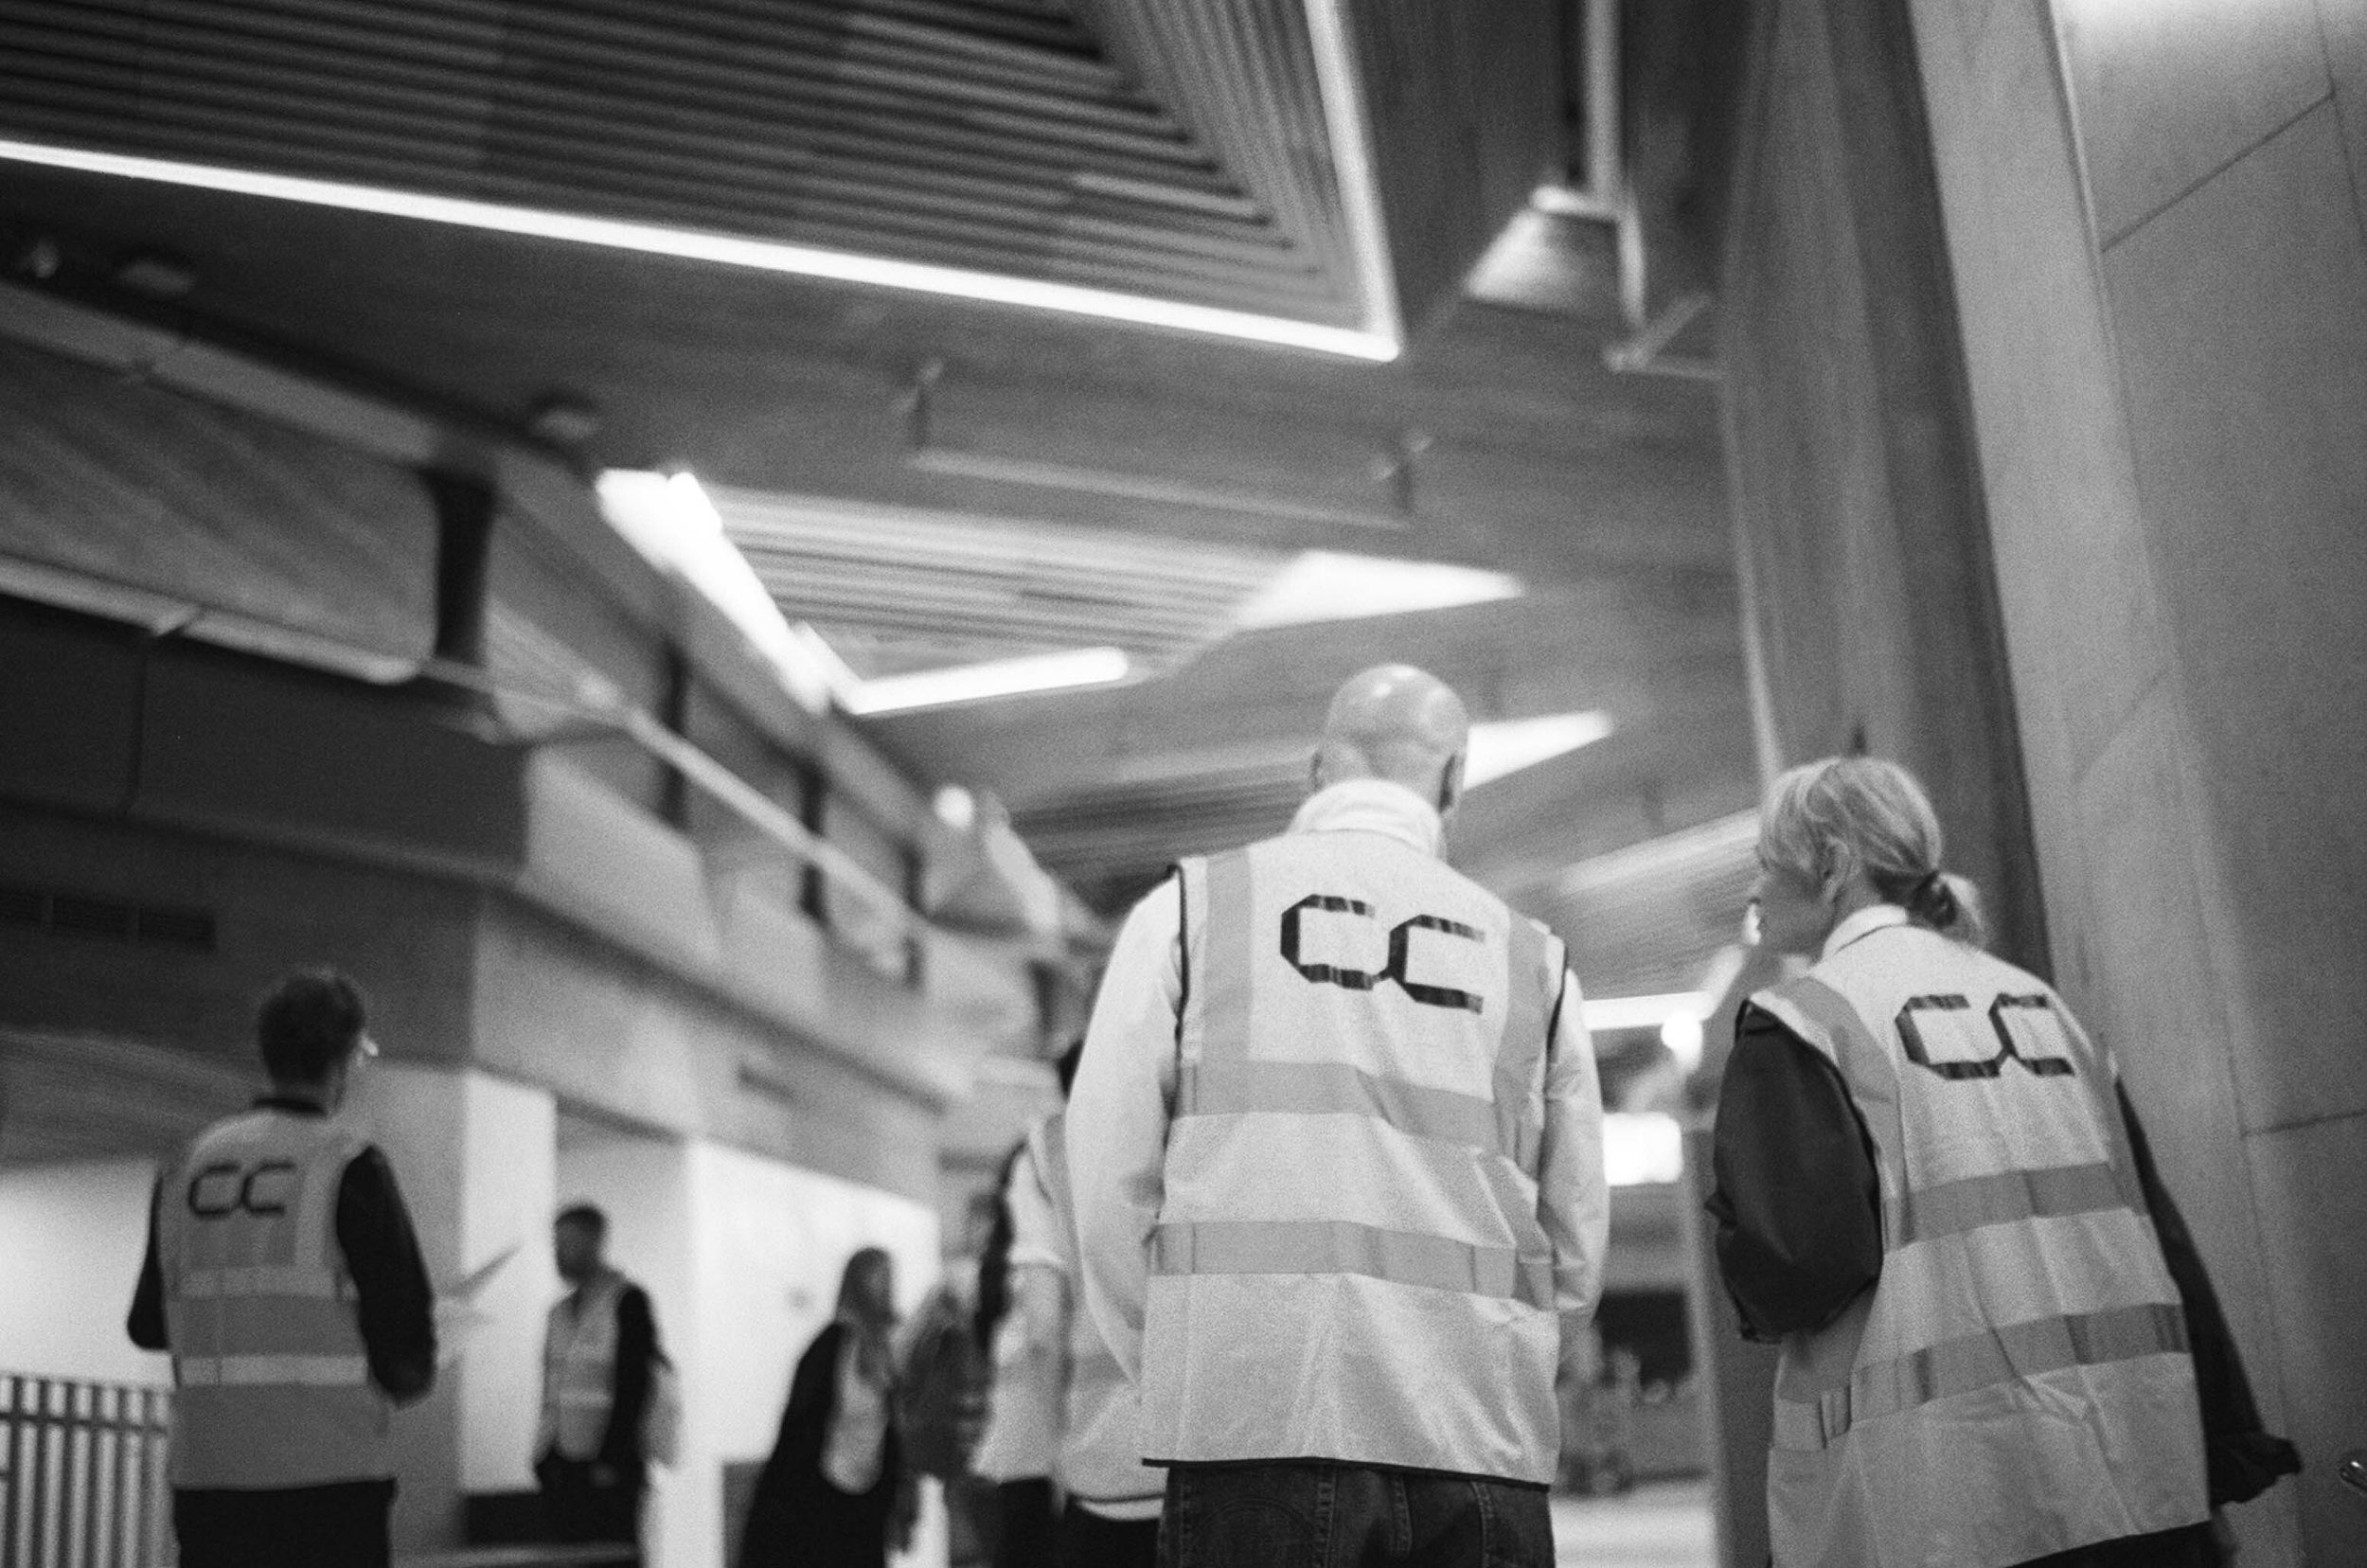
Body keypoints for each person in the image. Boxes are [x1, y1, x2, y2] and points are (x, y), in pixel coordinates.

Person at [1068, 664, 1609, 1568]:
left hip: (1254, 1429)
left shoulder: (1191, 913)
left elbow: (1107, 1182)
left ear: (1316, 771)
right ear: (1454, 780)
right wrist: (1504, 1372)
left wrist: (1187, 1367)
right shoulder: (1536, 965)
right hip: (1477, 1436)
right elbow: (1578, 1237)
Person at [1707, 756, 2300, 1568]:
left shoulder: (1804, 1024)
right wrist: (2222, 1448)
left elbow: (1795, 1270)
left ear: (1835, 863)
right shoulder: (2048, 1008)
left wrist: (1733, 1227)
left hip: (1943, 1503)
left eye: (1766, 861)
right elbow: (2161, 1238)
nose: (1755, 889)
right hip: (2136, 1484)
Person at [125, 968, 436, 1568]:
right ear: (345, 1059)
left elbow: (148, 1325)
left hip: (209, 1483)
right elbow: (406, 1357)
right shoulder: (350, 1165)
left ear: (268, 1055)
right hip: (330, 1484)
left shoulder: (184, 1166)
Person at [1015, 1042, 1165, 1566]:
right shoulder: (1198, 1124)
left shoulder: (1045, 1150)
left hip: (1102, 1467)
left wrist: (1056, 1452)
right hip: (1214, 1465)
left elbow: (1040, 1335)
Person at [739, 1247, 916, 1568]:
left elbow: (895, 1427)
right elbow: (801, 1425)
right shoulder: (831, 1347)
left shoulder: (888, 1350)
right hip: (819, 1495)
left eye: (889, 1279)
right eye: (878, 1279)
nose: (885, 1289)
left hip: (867, 1498)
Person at [536, 1203, 661, 1558]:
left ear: (594, 1243)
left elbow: (634, 1384)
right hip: (563, 1463)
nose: (558, 1253)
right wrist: (542, 1454)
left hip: (611, 1467)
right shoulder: (558, 1312)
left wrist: (614, 1458)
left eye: (567, 1243)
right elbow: (551, 1387)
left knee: (612, 1557)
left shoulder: (627, 1303)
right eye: (555, 1243)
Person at [970, 1137, 1061, 1568]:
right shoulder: (1034, 1266)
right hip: (1038, 1457)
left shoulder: (997, 1266)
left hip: (1003, 1455)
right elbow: (1043, 1343)